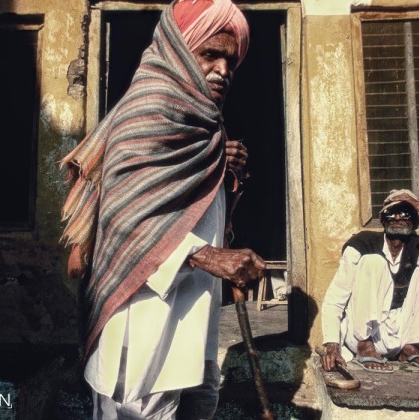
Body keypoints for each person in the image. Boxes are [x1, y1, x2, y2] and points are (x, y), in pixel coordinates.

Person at [60, 0, 266, 418]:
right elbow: (123, 215)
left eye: (231, 59)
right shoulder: (147, 109)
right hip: (142, 323)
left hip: (194, 321)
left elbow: (191, 212)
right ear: (179, 49)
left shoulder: (206, 126)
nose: (224, 71)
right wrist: (207, 256)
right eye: (210, 54)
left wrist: (225, 176)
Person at [321, 189, 419, 374]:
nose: (397, 218)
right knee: (373, 261)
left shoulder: (415, 246)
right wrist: (332, 346)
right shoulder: (363, 242)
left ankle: (409, 347)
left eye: (405, 213)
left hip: (399, 334)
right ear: (383, 220)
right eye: (391, 213)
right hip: (362, 333)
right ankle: (365, 346)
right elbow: (335, 297)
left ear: (414, 221)